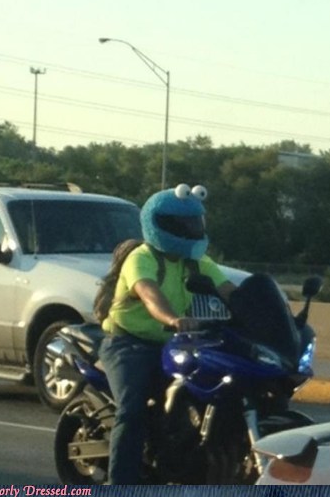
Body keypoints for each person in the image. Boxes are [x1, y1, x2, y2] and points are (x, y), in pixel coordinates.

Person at [98, 183, 236, 485]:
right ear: (160, 223)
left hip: (174, 344)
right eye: (183, 225)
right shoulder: (142, 257)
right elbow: (149, 294)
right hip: (128, 344)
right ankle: (120, 484)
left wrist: (258, 312)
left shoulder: (197, 262)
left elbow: (230, 291)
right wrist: (174, 318)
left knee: (199, 394)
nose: (191, 230)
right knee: (131, 411)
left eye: (195, 224)